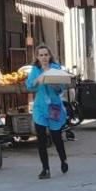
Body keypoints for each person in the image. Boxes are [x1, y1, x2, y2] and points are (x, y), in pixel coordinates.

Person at [24, 45, 70, 180]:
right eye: (41, 55)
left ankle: (63, 160)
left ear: (50, 56)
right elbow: (29, 85)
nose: (44, 57)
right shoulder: (35, 70)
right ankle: (45, 168)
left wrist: (52, 82)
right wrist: (38, 79)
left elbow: (60, 89)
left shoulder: (56, 69)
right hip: (40, 108)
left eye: (46, 55)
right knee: (41, 139)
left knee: (56, 137)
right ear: (37, 57)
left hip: (54, 107)